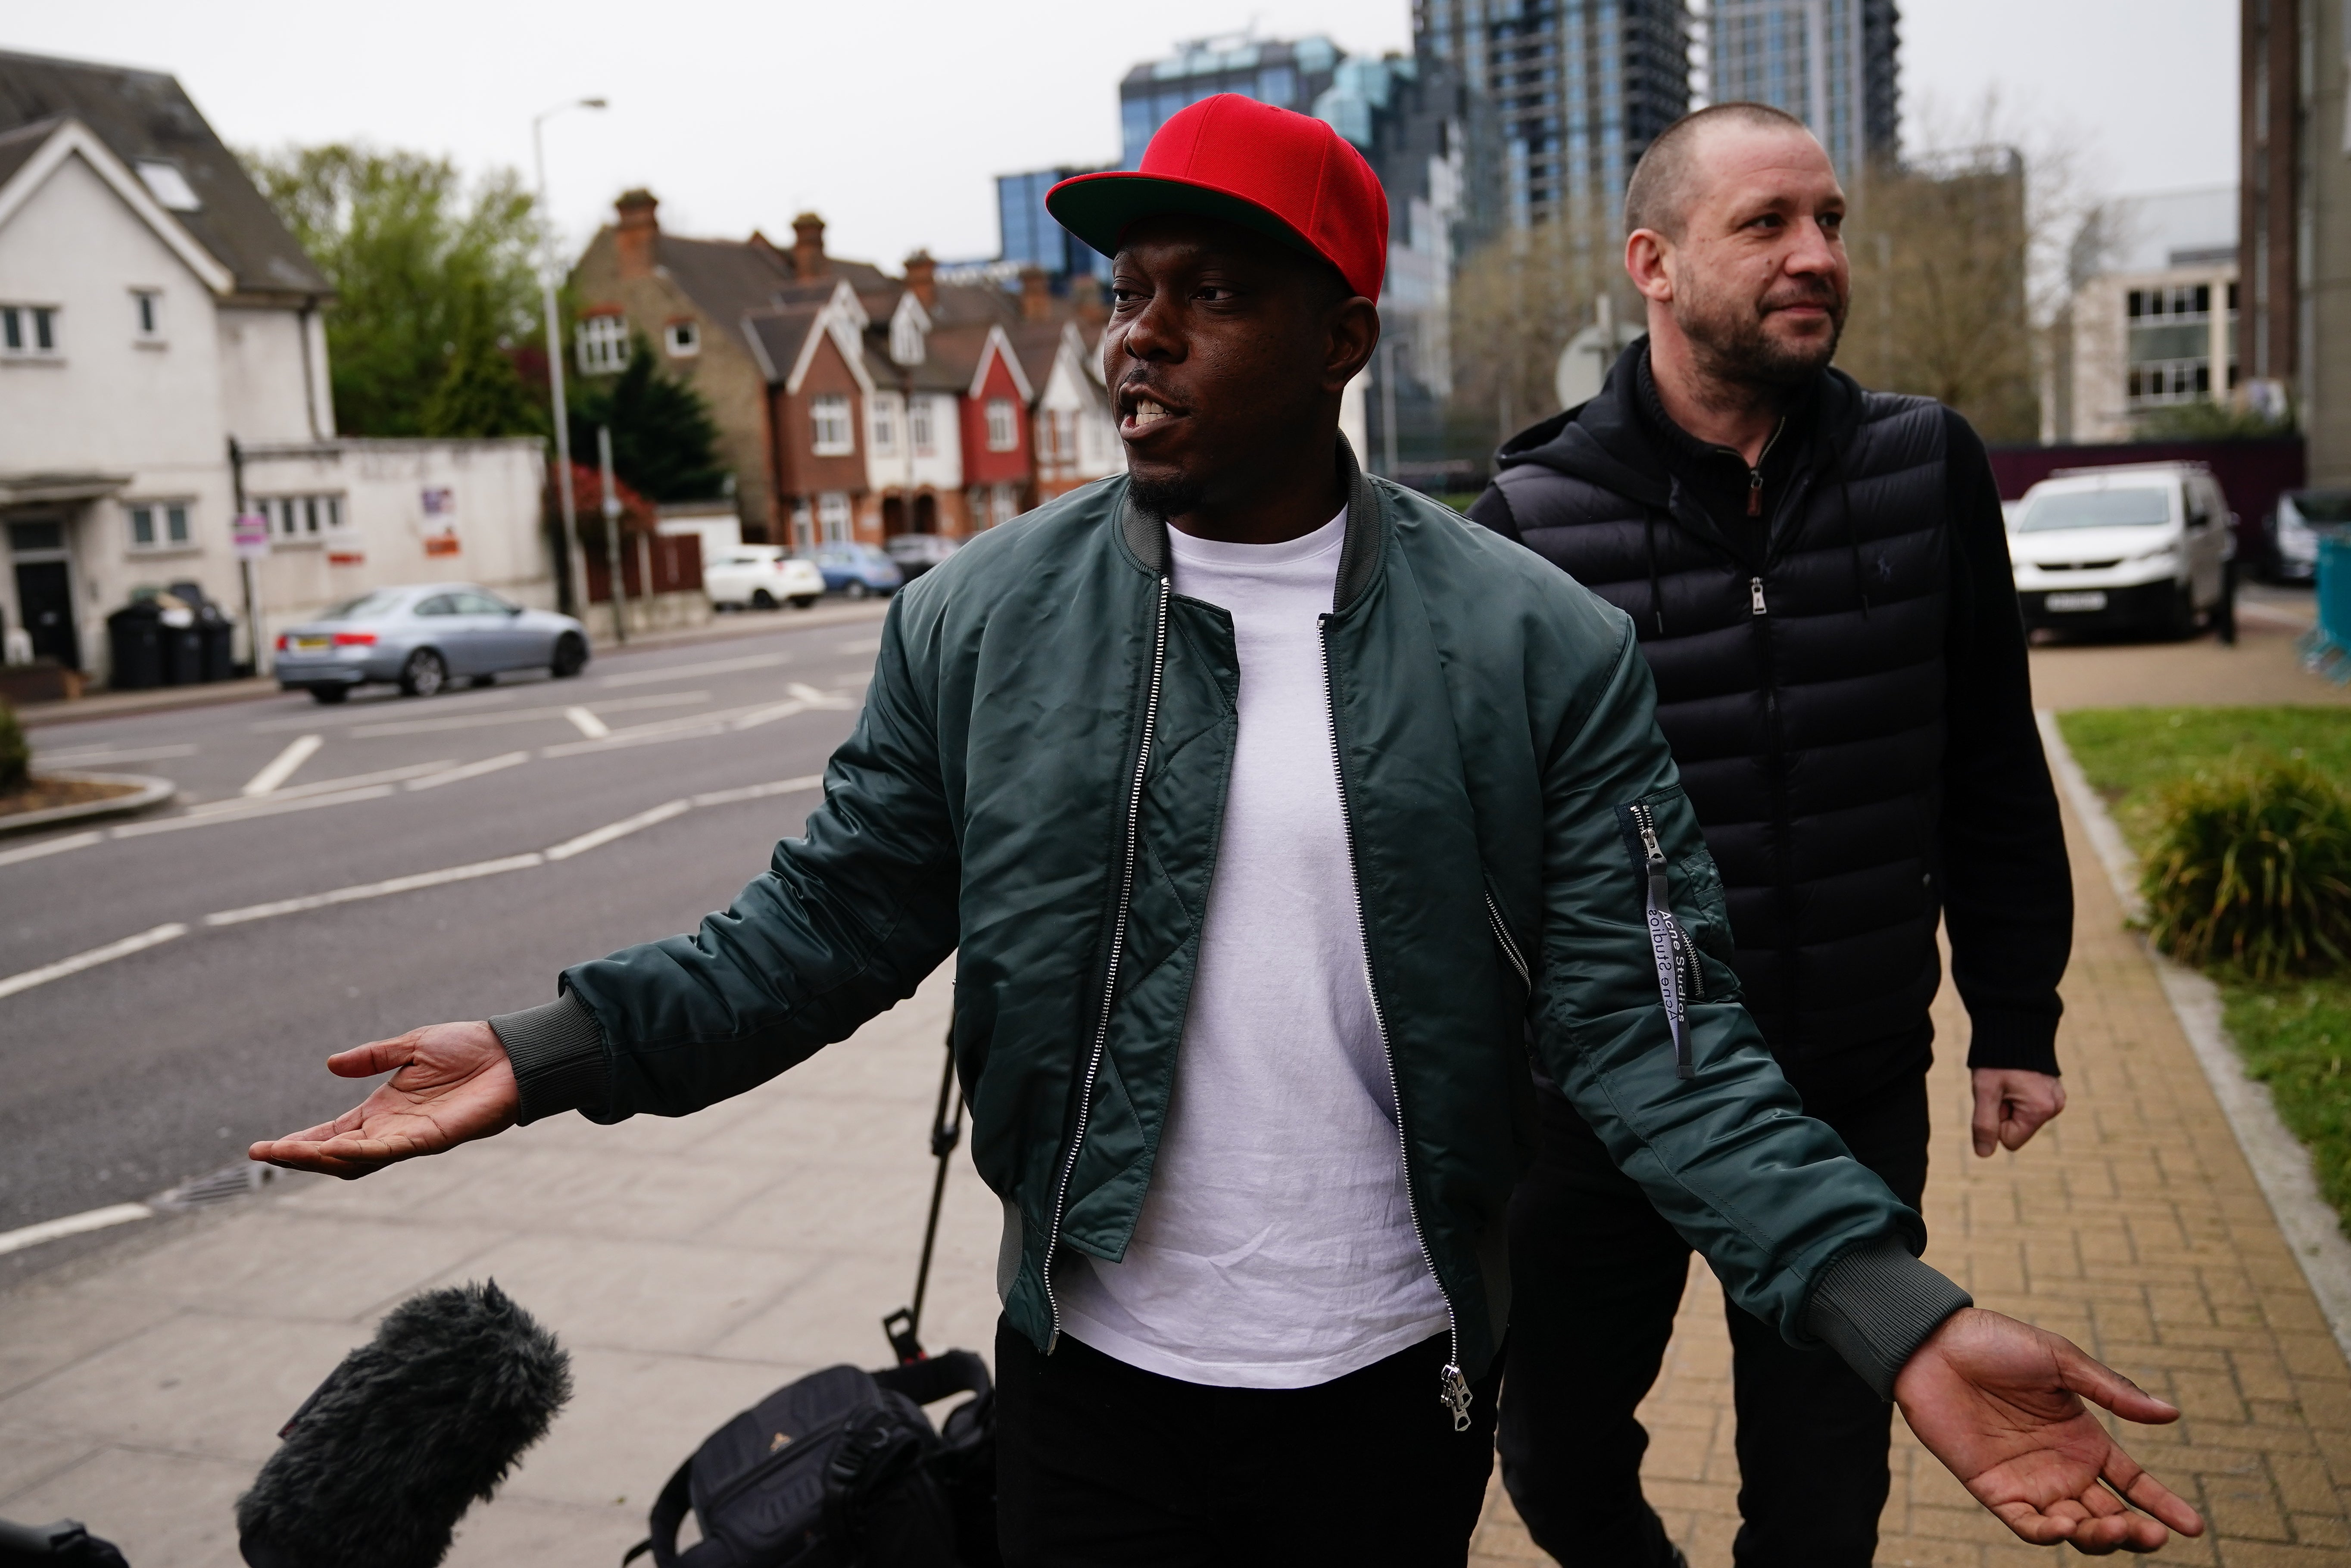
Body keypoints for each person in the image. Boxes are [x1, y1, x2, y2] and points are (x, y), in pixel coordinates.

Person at [255, 96, 2196, 1567]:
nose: (1138, 339)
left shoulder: (1536, 644)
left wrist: (1893, 1315)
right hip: (1087, 1375)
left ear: (1342, 333)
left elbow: (1655, 1046)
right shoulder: (977, 621)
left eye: (1212, 292)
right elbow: (827, 924)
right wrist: (551, 1048)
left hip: (1391, 1375)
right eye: (1125, 292)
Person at [1468, 102, 2077, 1568]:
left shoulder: (1925, 469)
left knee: (1821, 1504)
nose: (1816, 255)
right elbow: (1484, 859)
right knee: (1552, 1454)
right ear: (1654, 263)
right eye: (1768, 225)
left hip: (1850, 1089)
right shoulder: (1528, 518)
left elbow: (1994, 765)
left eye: (1831, 222)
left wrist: (2019, 1017)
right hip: (1600, 1117)